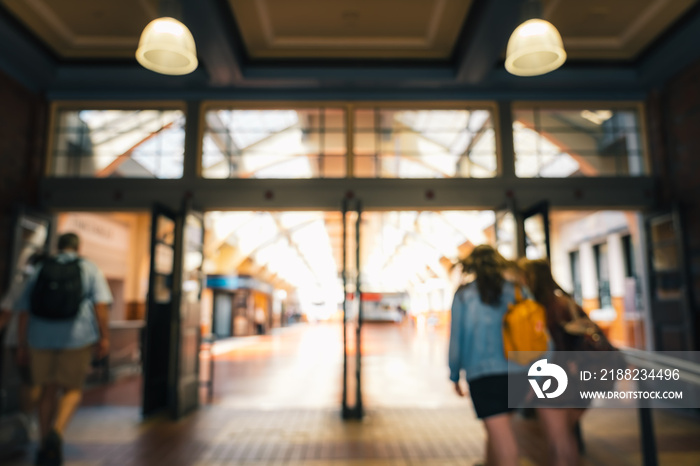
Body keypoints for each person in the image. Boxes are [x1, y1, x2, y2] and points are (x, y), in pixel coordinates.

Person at [15, 233, 112, 466]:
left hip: (39, 336)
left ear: (58, 247)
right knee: (72, 388)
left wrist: (21, 344)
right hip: (76, 337)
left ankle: (43, 445)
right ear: (78, 247)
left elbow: (23, 308)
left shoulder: (40, 268)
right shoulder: (89, 267)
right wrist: (104, 337)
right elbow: (101, 305)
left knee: (47, 389)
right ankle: (56, 434)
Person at [448, 245, 522, 466]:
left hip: (483, 374)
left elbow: (456, 338)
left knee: (503, 438)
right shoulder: (517, 290)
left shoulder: (464, 295)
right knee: (497, 430)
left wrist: (454, 374)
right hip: (518, 372)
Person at [518, 258, 587, 466]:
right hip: (577, 377)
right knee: (566, 437)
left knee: (558, 442)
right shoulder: (566, 302)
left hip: (551, 379)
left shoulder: (535, 308)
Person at [0, 252, 47, 419]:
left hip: (16, 339)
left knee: (28, 381)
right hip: (43, 340)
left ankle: (28, 418)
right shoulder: (47, 285)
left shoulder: (20, 283)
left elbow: (6, 313)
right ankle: (32, 418)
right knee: (37, 382)